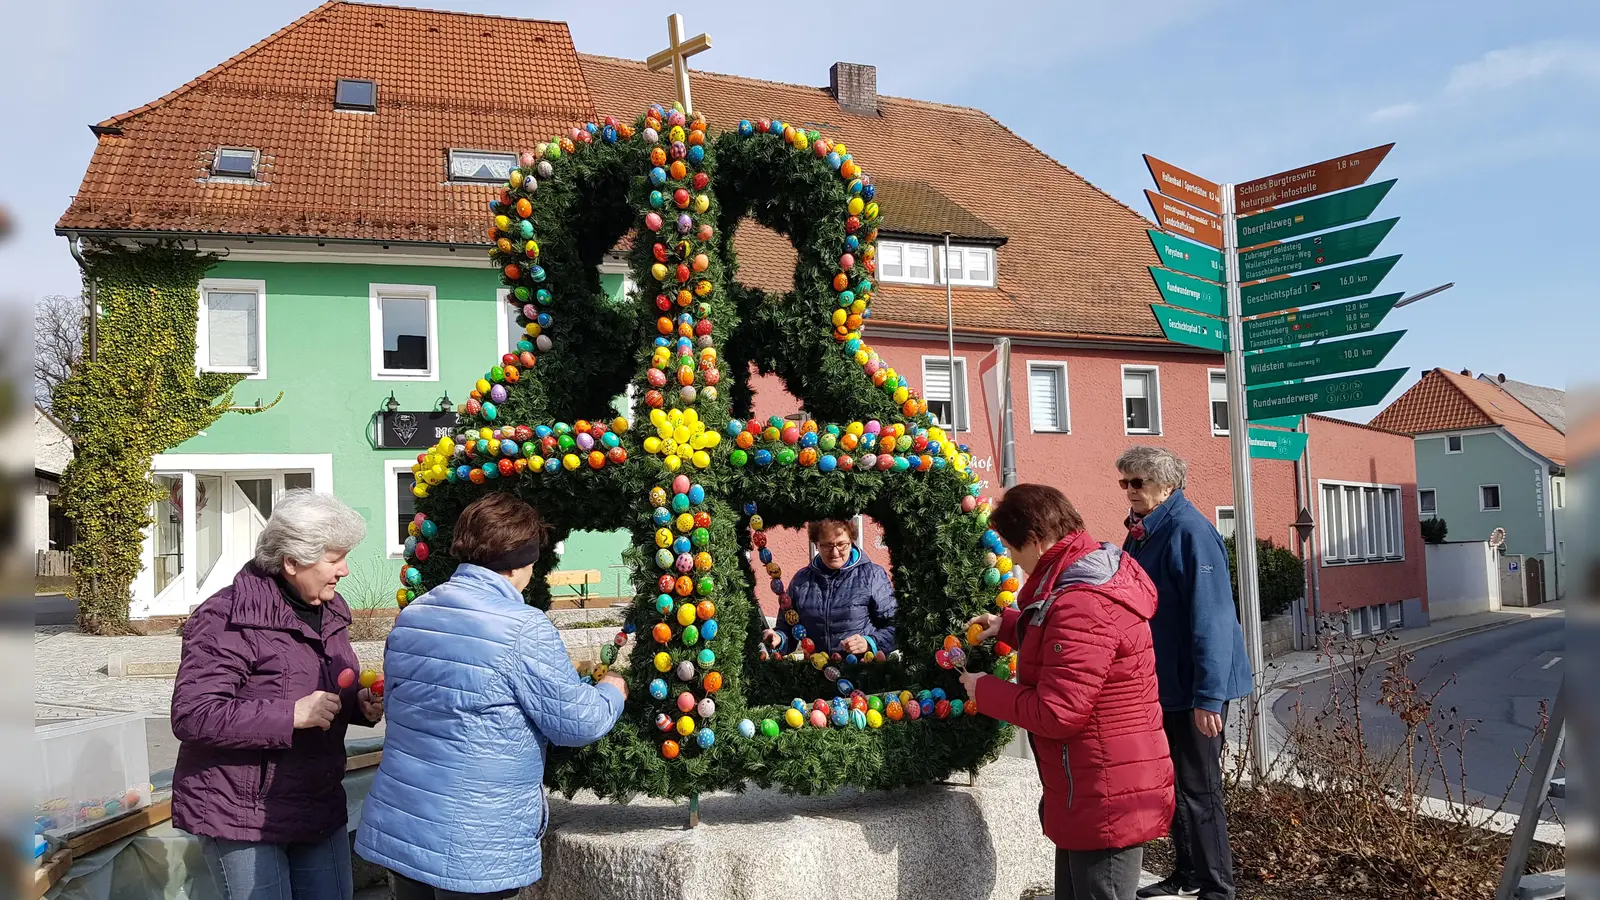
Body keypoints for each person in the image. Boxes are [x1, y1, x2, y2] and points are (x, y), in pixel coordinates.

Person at [356, 492, 627, 899]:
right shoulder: (522, 628)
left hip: (406, 825)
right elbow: (577, 722)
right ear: (521, 562)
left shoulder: (415, 614)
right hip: (473, 838)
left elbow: (402, 707)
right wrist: (613, 687)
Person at [961, 483, 1173, 900]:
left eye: (1010, 547)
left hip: (1105, 789)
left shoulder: (1082, 600)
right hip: (1093, 782)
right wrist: (1007, 626)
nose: (1009, 558)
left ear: (1036, 541)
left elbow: (1057, 712)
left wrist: (984, 690)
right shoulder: (1082, 574)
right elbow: (1071, 651)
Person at [170, 490, 383, 900]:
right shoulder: (226, 618)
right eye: (334, 559)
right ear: (291, 561)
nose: (345, 570)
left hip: (316, 800)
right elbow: (193, 714)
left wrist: (358, 703)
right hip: (240, 812)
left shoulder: (331, 609)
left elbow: (317, 682)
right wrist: (290, 715)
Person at [1116, 447, 1252, 900]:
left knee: (1200, 788)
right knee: (1172, 784)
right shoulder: (1142, 532)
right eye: (1125, 482)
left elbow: (1211, 618)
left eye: (1138, 482)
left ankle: (1217, 888)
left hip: (1194, 687)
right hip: (1164, 683)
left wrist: (1209, 697)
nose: (1130, 491)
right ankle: (1189, 873)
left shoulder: (1190, 532)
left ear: (1167, 485)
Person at [762, 518, 897, 657]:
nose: (835, 552)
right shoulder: (801, 580)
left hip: (862, 672)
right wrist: (779, 638)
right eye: (827, 545)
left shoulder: (872, 576)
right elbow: (789, 629)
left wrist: (869, 642)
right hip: (816, 672)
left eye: (841, 544)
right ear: (816, 544)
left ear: (852, 542)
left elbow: (898, 627)